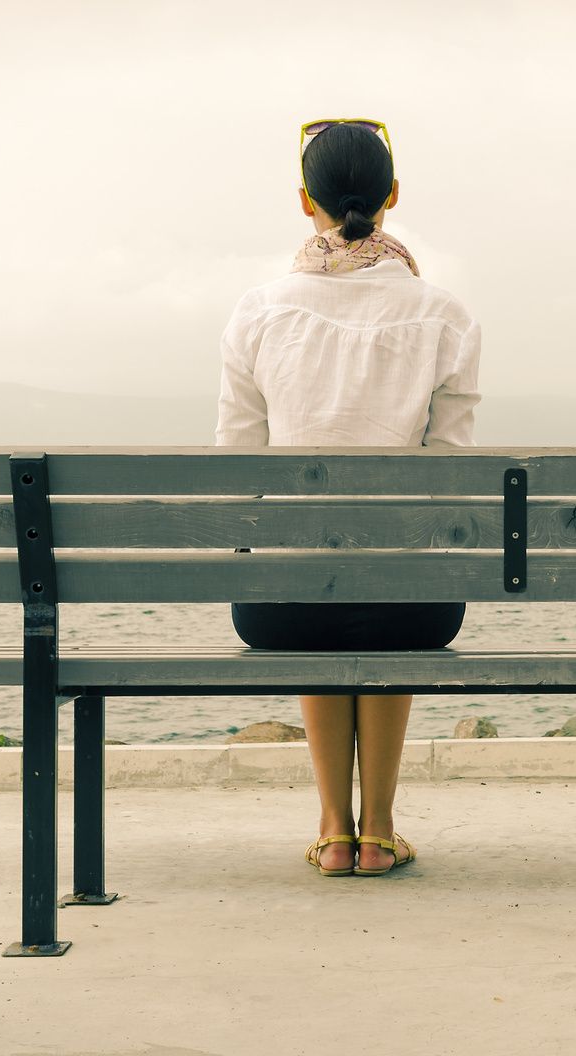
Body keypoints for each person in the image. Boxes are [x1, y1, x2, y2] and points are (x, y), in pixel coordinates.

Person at [214, 119, 481, 877]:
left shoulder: (258, 313)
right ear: (393, 196)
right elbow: (451, 470)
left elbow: (236, 463)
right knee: (391, 573)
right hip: (416, 605)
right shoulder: (446, 315)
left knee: (305, 570)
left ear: (307, 202)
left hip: (282, 604)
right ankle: (382, 828)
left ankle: (335, 828)